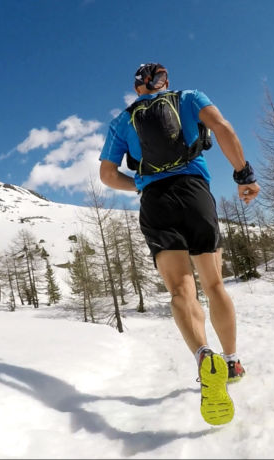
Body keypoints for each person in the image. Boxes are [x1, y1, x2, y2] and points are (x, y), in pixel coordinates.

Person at [98, 62, 260, 425]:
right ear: (164, 82)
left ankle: (205, 357)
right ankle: (231, 362)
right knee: (214, 283)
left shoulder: (122, 122)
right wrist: (244, 174)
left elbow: (107, 175)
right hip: (195, 193)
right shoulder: (188, 98)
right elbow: (222, 127)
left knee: (180, 290)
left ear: (138, 88)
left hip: (155, 202)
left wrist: (140, 184)